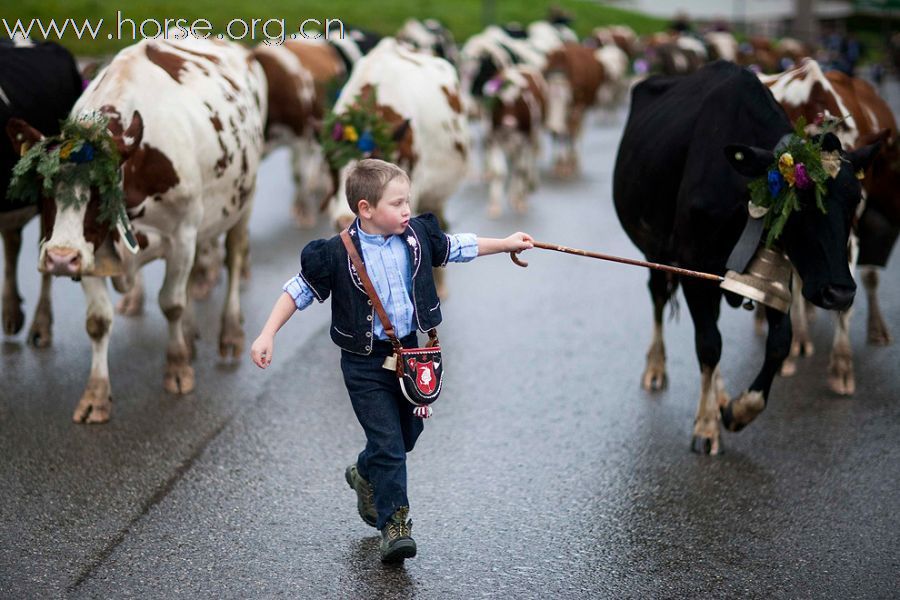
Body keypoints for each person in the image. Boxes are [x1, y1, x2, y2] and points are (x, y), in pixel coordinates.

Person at [249, 158, 534, 562]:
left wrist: (505, 243)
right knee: (389, 443)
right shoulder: (334, 253)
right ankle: (395, 523)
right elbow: (297, 291)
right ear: (365, 209)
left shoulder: (416, 235)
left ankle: (365, 471)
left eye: (408, 202)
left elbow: (456, 247)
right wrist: (267, 333)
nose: (406, 211)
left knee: (405, 437)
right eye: (397, 204)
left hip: (412, 356)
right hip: (364, 365)